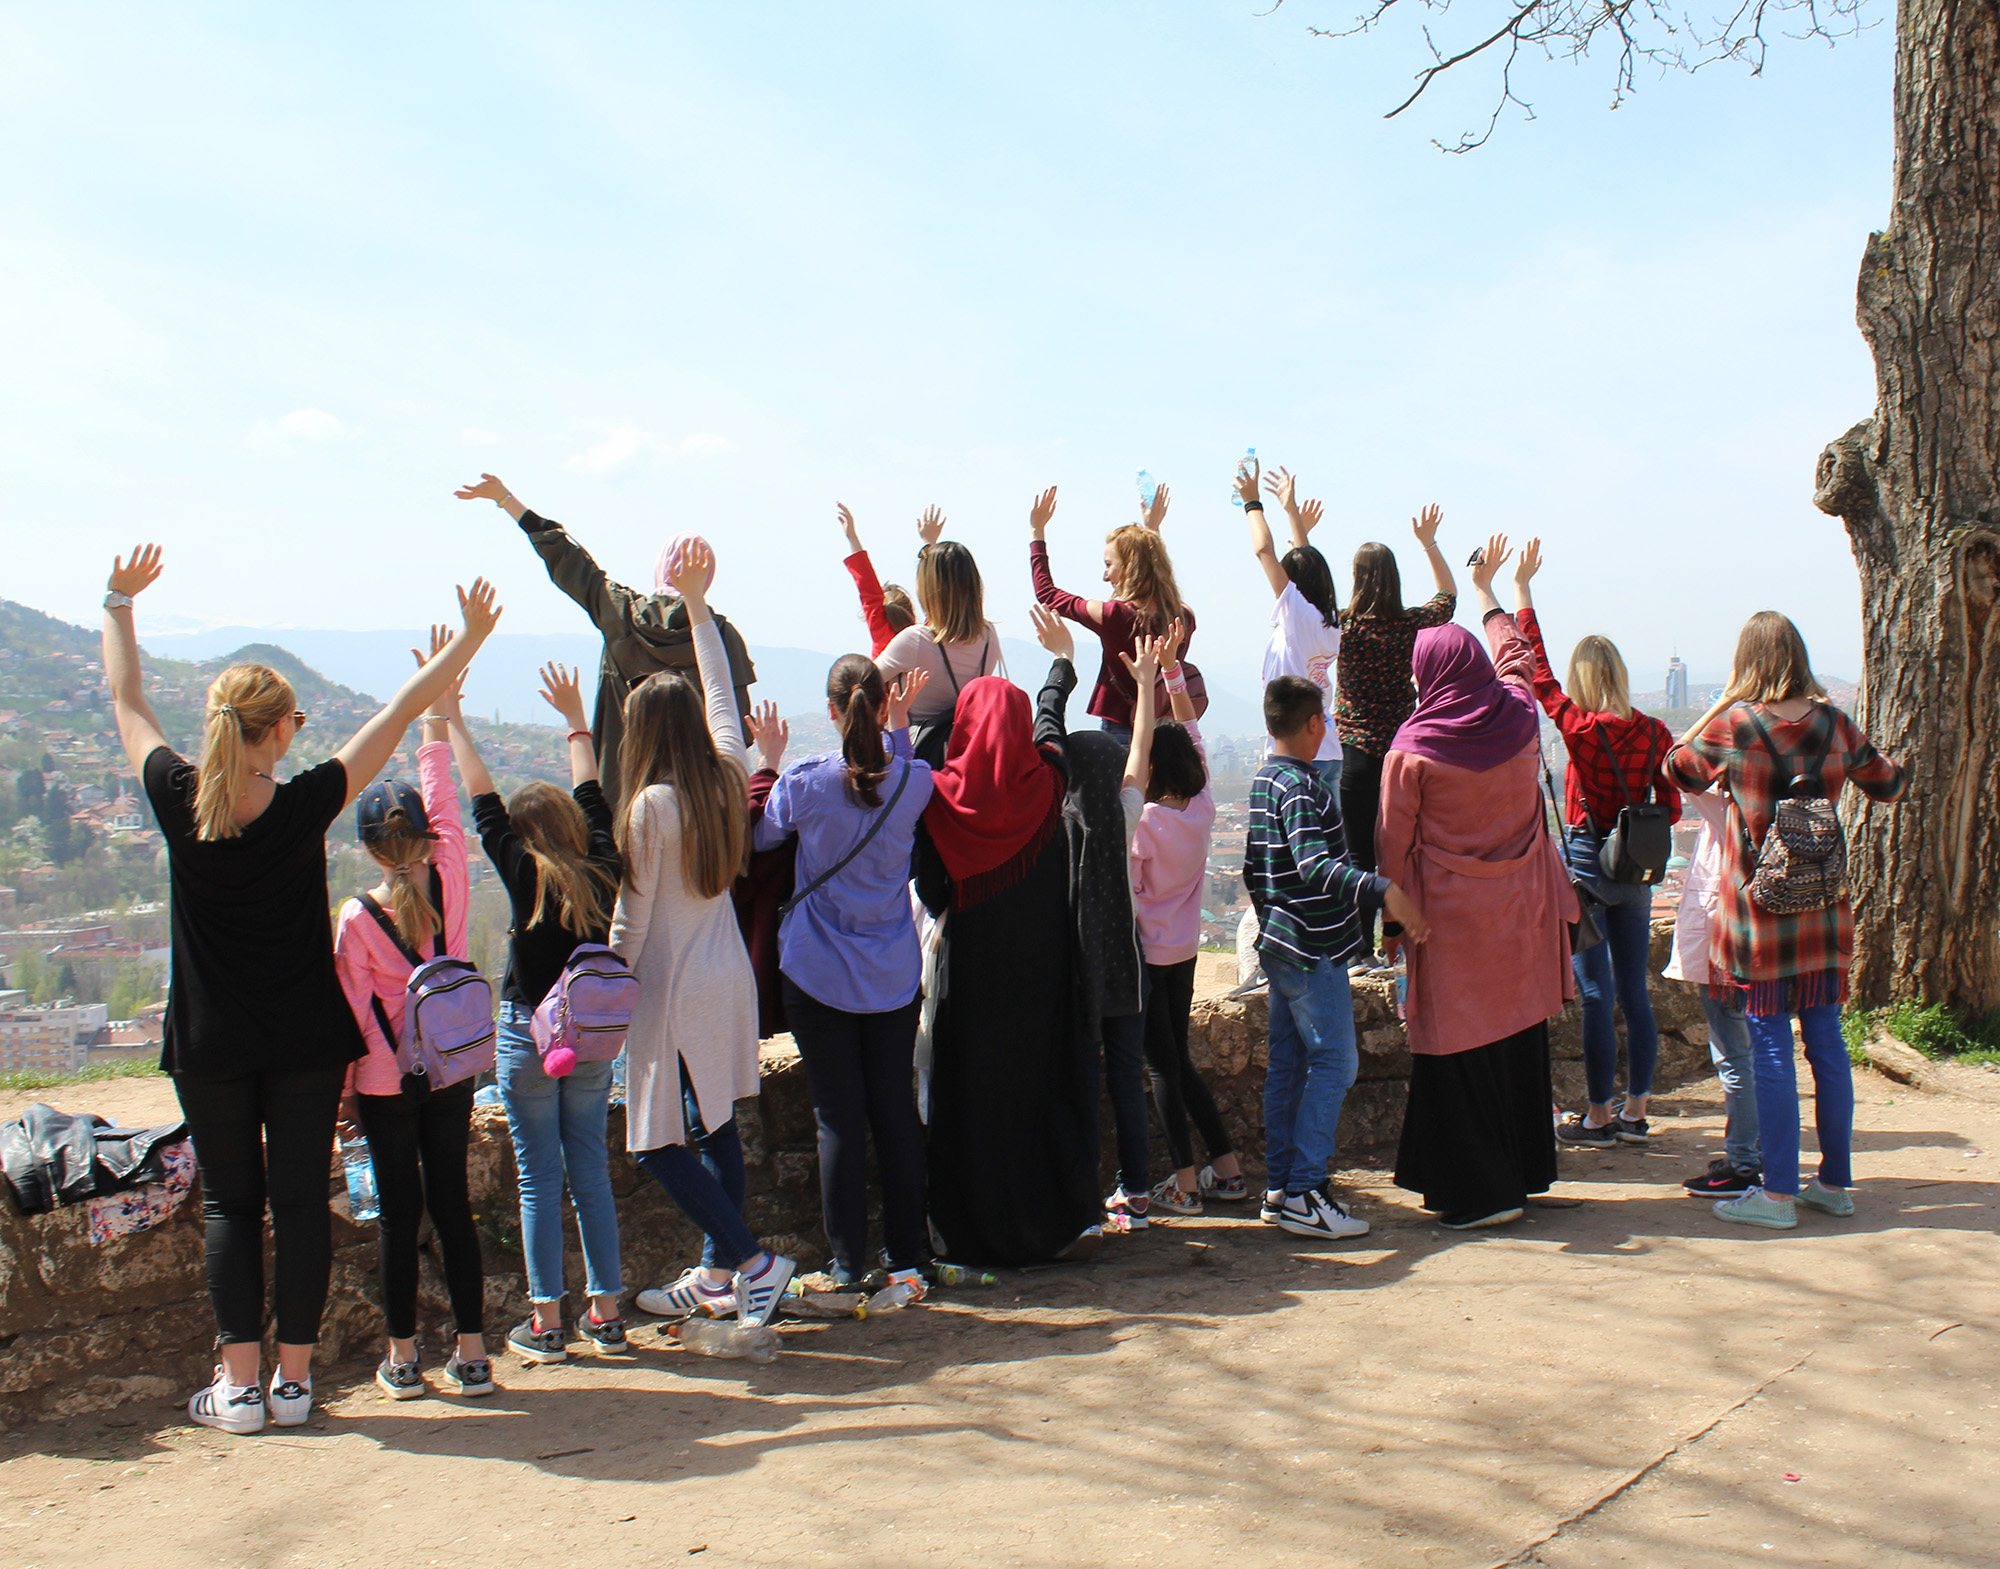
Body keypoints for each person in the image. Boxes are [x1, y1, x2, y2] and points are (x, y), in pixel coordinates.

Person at [103, 545, 498, 1434]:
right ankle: (293, 1381)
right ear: (278, 732)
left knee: (231, 1205)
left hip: (210, 1040)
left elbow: (128, 702)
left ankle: (238, 1388)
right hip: (303, 1043)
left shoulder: (175, 794)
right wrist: (464, 644)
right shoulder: (303, 804)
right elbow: (399, 716)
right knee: (296, 1202)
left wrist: (118, 602)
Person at [1665, 612, 1906, 1230]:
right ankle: (1833, 1183)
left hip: (1759, 914)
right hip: (1825, 912)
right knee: (1827, 1042)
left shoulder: (1735, 725)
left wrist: (1718, 704)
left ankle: (1774, 1194)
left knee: (1769, 1044)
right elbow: (1889, 785)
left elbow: (1675, 769)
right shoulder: (1834, 723)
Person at [611, 539, 796, 1324]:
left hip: (675, 981)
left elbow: (633, 921)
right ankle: (721, 1275)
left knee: (656, 1142)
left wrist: (596, 991)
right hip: (727, 969)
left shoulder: (651, 806)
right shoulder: (726, 776)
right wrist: (695, 607)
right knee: (715, 1122)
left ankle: (753, 1260)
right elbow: (722, 696)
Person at [1380, 536, 1574, 1231]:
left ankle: (1480, 1189)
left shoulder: (1412, 749)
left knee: (1457, 1046)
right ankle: (1523, 1170)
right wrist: (1489, 591)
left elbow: (1392, 850)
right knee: (1514, 1035)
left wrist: (1395, 926)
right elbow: (1515, 656)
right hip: (1519, 909)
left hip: (1449, 920)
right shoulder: (1519, 716)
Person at [449, 659, 628, 1363]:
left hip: (530, 1036)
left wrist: (453, 720)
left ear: (522, 837)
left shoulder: (524, 873)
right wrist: (575, 720)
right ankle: (607, 1313)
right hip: (594, 1039)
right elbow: (591, 795)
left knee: (538, 1173)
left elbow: (482, 800)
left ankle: (547, 1321)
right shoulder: (603, 866)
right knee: (589, 1167)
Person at [914, 606, 1102, 1266]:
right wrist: (1061, 663)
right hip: (1043, 972)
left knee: (976, 1101)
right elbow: (1050, 724)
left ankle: (977, 1229)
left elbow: (933, 891)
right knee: (1036, 1091)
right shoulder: (1046, 783)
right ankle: (1047, 1220)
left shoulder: (939, 799)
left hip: (976, 977)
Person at [333, 659, 492, 1402]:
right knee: (454, 1206)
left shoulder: (357, 920)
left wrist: (352, 1093)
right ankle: (474, 1351)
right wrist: (436, 717)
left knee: (400, 1216)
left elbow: (359, 1018)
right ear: (425, 837)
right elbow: (448, 806)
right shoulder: (453, 877)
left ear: (368, 849)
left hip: (388, 1080)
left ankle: (403, 1359)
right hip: (454, 1069)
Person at [752, 658, 935, 1286]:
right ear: (883, 708)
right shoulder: (916, 780)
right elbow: (901, 777)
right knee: (894, 1110)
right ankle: (910, 1254)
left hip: (817, 971)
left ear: (833, 711)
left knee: (839, 1117)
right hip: (890, 973)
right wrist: (902, 729)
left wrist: (767, 762)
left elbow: (761, 842)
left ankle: (850, 1260)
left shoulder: (803, 784)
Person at [1510, 540, 1683, 1148]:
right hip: (1638, 870)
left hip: (1587, 864)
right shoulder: (1658, 730)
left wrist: (1522, 593)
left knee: (1594, 993)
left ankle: (1600, 1115)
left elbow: (1539, 673)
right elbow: (1673, 805)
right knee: (1636, 992)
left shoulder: (1581, 729)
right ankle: (1637, 1110)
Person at [1245, 678, 1427, 1241]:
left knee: (1290, 1066)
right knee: (1335, 1063)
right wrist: (1382, 890)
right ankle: (1305, 1191)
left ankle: (1282, 1188)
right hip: (1310, 947)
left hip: (1280, 943)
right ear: (1314, 724)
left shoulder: (1264, 780)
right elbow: (1315, 865)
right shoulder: (1302, 787)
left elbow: (1259, 870)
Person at [454, 474, 757, 810]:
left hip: (625, 791)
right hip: (700, 803)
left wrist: (506, 499)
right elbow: (736, 724)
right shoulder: (721, 637)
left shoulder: (621, 612)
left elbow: (570, 562)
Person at [1123, 623, 1246, 1217]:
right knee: (1180, 1061)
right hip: (1187, 952)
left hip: (1148, 954)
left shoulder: (1145, 825)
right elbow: (1190, 734)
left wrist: (1150, 683)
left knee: (1161, 1066)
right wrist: (1169, 672)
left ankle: (1186, 1183)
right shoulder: (1202, 810)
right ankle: (1228, 1168)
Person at [1330, 498, 1457, 971]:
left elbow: (1302, 598)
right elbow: (1448, 596)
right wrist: (1431, 544)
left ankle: (1361, 949)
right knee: (1405, 848)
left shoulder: (1342, 625)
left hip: (1357, 753)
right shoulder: (1410, 625)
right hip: (1405, 750)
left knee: (1359, 851)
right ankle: (1403, 940)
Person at [1028, 483, 1198, 747]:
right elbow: (1154, 573)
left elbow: (1048, 594)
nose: (1105, 575)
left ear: (1130, 568)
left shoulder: (1114, 615)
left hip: (1121, 730)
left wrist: (1036, 533)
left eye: (1109, 565)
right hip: (1168, 732)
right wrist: (1151, 530)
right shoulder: (1184, 617)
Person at [1664, 786, 1763, 1198]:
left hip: (1727, 943)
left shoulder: (1730, 806)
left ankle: (1743, 1161)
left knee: (1735, 1059)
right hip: (1768, 939)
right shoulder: (1780, 796)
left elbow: (1678, 765)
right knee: (1763, 1056)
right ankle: (1762, 1153)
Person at [872, 516, 1006, 766]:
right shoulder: (988, 636)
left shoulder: (914, 641)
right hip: (963, 755)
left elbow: (861, 682)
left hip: (915, 755)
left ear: (928, 588)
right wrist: (928, 546)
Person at [1248, 465, 1343, 792]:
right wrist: (1292, 513)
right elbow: (1309, 564)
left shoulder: (1298, 617)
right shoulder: (1326, 621)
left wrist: (1252, 503)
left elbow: (1263, 552)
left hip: (1298, 752)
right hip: (1327, 748)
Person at [838, 501, 924, 656]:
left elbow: (867, 587)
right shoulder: (925, 640)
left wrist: (852, 537)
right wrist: (929, 546)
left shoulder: (880, 629)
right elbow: (937, 595)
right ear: (910, 611)